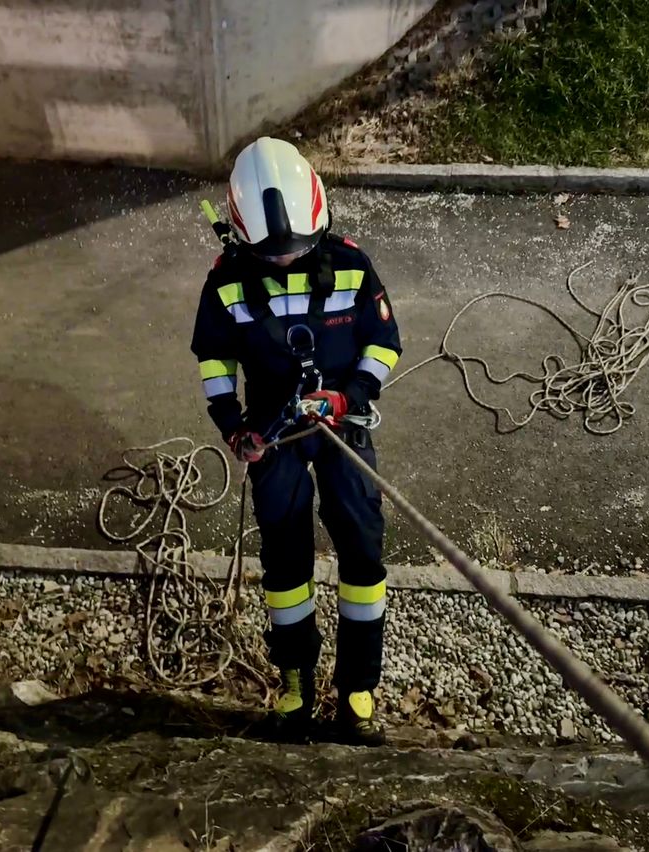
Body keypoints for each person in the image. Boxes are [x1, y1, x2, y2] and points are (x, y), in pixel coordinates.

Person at [191, 137, 401, 746]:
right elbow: (214, 361)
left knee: (362, 548)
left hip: (341, 425)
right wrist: (234, 427)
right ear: (237, 230)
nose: (285, 262)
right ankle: (295, 682)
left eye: (299, 250)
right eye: (272, 254)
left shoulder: (352, 264)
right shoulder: (227, 282)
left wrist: (349, 396)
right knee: (284, 561)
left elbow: (385, 345)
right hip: (271, 432)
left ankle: (357, 687)